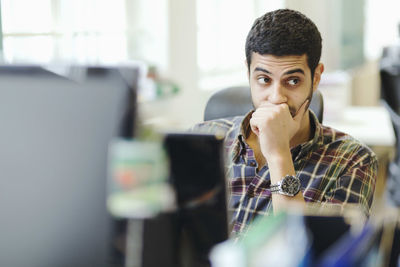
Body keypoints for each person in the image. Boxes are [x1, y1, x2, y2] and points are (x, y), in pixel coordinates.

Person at [192, 9, 378, 236]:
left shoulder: (353, 160)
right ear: (248, 73)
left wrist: (279, 155)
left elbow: (308, 253)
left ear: (316, 77)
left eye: (292, 81)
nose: (276, 97)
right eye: (263, 79)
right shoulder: (202, 137)